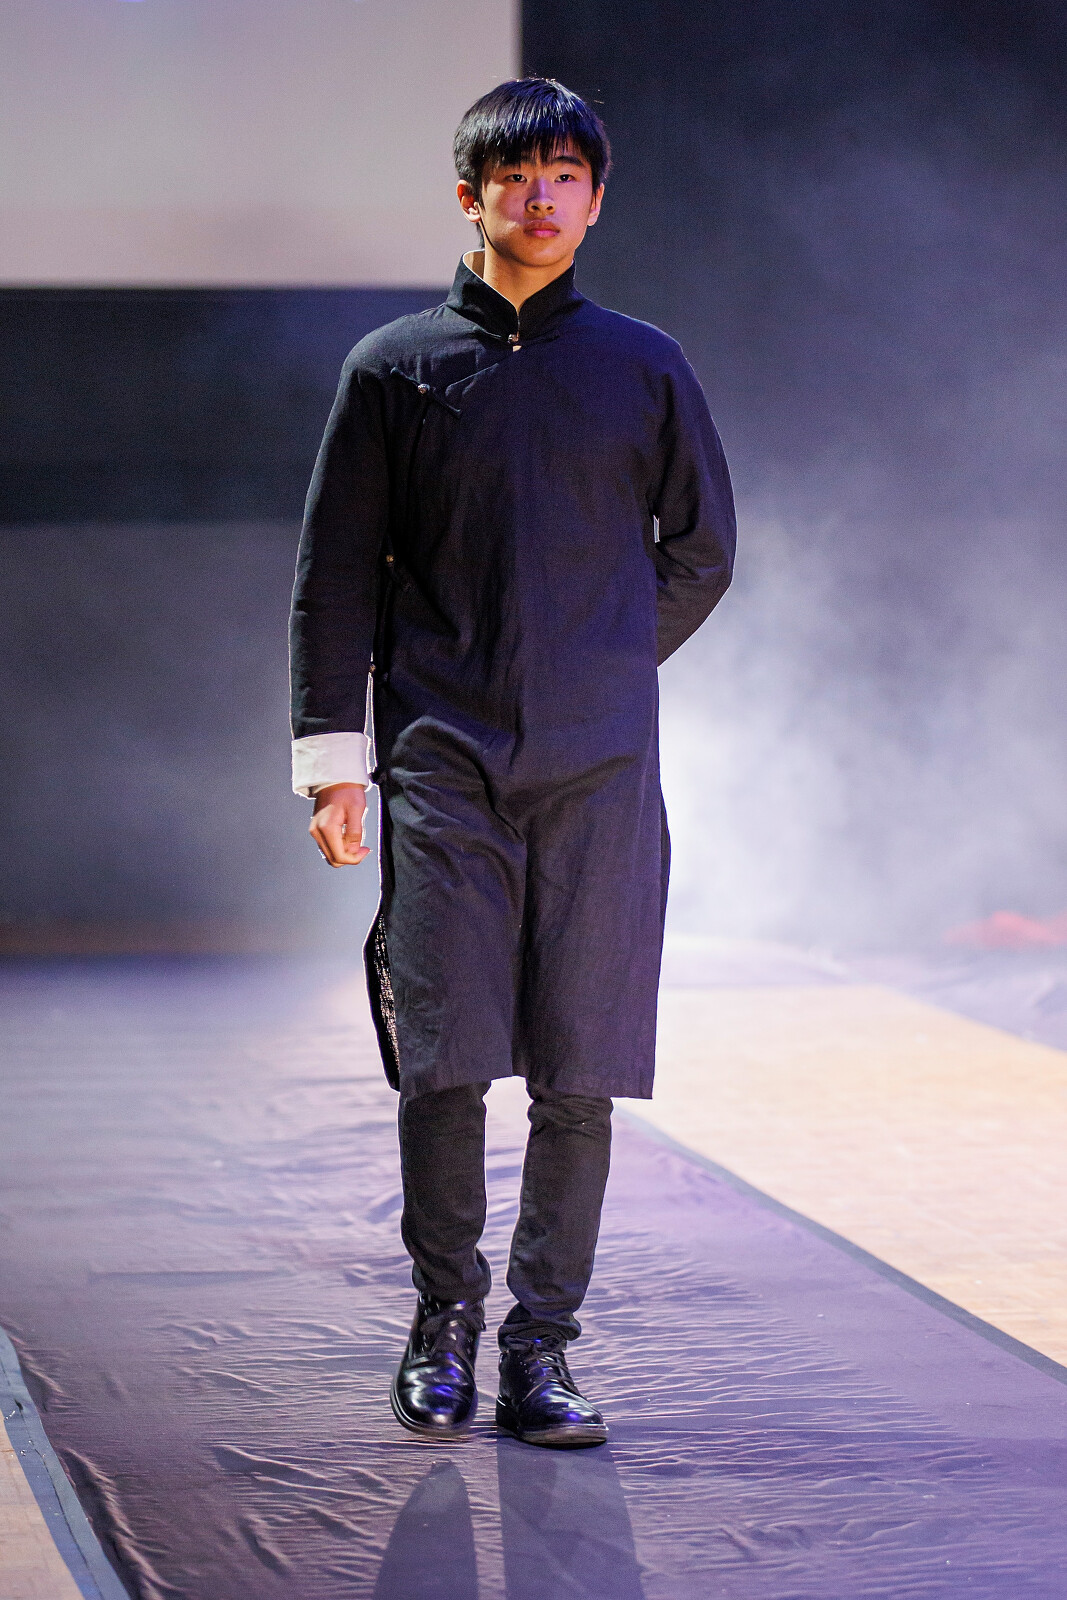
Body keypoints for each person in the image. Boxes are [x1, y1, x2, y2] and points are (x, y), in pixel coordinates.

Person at [289, 77, 735, 1449]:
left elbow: (703, 550)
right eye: (514, 177)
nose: (539, 199)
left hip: (600, 767)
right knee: (444, 1054)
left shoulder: (643, 365)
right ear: (468, 197)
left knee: (580, 1062)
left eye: (563, 177)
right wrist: (335, 764)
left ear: (595, 202)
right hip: (441, 759)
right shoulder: (397, 367)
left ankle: (543, 1348)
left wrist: (598, 662)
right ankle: (443, 1322)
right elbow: (333, 577)